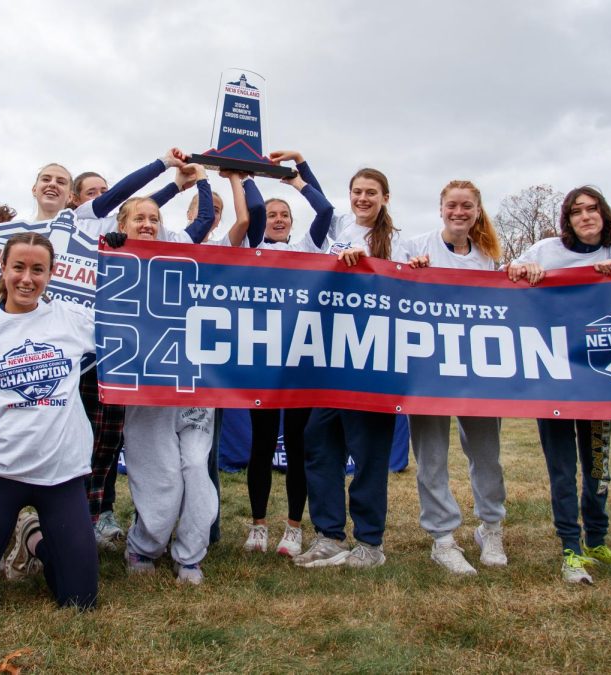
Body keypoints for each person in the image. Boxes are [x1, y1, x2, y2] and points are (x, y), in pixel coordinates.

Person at [0, 232, 99, 618]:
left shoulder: (74, 320)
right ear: (3, 268)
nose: (27, 278)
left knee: (80, 604)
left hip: (62, 474)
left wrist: (120, 255)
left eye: (38, 270)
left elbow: (134, 323)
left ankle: (34, 543)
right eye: (19, 268)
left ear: (52, 273)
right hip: (2, 473)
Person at [286, 163, 421, 570]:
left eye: (371, 193)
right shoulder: (337, 225)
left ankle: (369, 543)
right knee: (319, 444)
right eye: (357, 192)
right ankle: (329, 535)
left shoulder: (399, 242)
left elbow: (410, 287)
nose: (363, 199)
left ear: (385, 198)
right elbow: (320, 207)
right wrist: (301, 168)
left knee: (369, 454)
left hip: (373, 363)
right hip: (331, 357)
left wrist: (382, 266)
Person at [507, 185, 611, 584]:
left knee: (598, 465)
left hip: (600, 379)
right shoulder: (547, 249)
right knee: (563, 468)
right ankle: (570, 548)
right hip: (554, 377)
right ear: (568, 219)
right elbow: (505, 277)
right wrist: (520, 271)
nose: (586, 217)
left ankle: (598, 540)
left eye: (593, 209)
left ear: (603, 214)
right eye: (577, 211)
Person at [105, 163, 219, 584]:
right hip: (147, 386)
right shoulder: (109, 257)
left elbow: (206, 220)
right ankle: (144, 547)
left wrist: (203, 178)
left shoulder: (180, 253)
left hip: (192, 383)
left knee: (195, 468)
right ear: (123, 223)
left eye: (154, 219)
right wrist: (111, 250)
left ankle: (190, 555)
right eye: (140, 218)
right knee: (161, 475)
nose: (149, 224)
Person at [404, 180, 508, 575]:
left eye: (467, 206)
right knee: (431, 456)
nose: (459, 212)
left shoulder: (487, 257)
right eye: (452, 205)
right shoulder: (417, 247)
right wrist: (408, 273)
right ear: (441, 208)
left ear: (477, 210)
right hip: (428, 369)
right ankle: (442, 538)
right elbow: (389, 286)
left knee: (486, 454)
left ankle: (491, 526)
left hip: (475, 370)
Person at [240, 156, 334, 556]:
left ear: (293, 221)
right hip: (263, 359)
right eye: (273, 214)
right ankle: (259, 524)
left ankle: (294, 527)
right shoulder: (254, 245)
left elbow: (326, 209)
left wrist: (299, 173)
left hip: (302, 361)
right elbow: (256, 210)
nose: (276, 219)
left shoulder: (308, 246)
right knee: (261, 444)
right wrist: (244, 175)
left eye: (284, 214)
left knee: (297, 445)